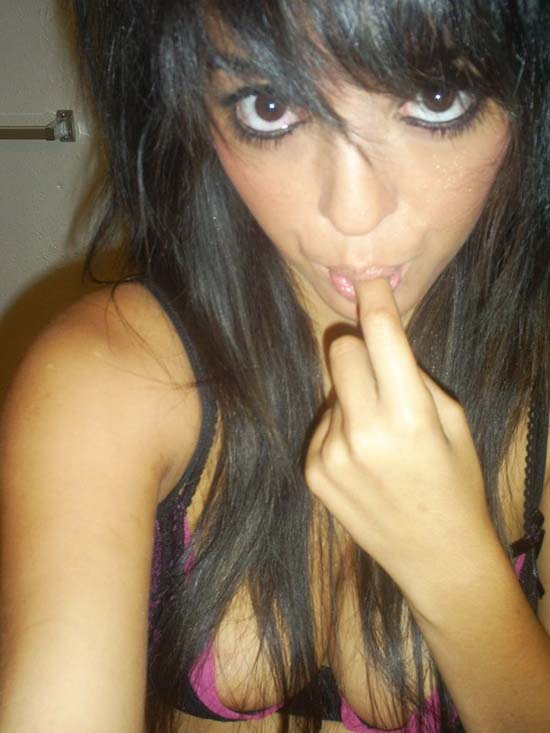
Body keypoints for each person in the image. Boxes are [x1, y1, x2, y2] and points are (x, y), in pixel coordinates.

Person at [1, 0, 549, 731]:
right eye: (270, 107)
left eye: (437, 98)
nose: (353, 212)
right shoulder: (104, 379)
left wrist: (456, 570)